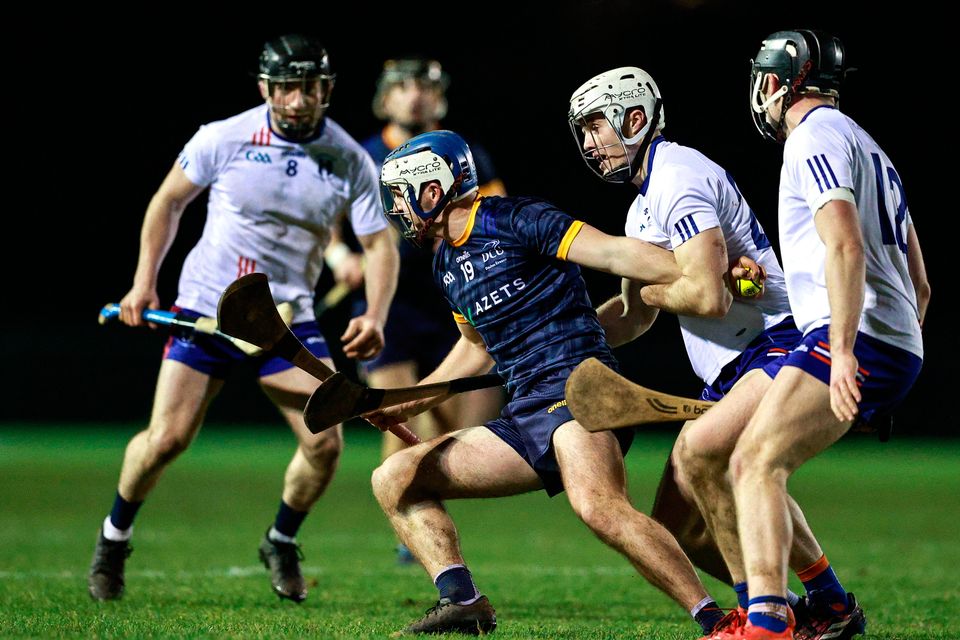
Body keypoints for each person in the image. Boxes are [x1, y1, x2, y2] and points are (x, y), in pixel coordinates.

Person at [367, 130, 730, 636]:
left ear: (432, 191)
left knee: (598, 506)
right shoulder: (445, 261)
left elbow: (612, 254)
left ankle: (719, 622)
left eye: (402, 197)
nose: (398, 210)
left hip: (578, 390)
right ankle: (462, 600)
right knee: (393, 478)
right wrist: (407, 400)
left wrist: (704, 268)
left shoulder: (517, 219)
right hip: (526, 414)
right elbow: (475, 346)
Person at [86, 34, 399, 604]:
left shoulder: (349, 158)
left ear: (325, 89)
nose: (298, 100)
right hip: (206, 307)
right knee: (167, 439)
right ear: (266, 89)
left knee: (325, 445)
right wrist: (143, 282)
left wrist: (375, 313)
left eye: (309, 86)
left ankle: (280, 540)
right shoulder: (223, 136)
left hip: (286, 322)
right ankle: (113, 538)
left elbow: (379, 245)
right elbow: (168, 201)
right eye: (286, 87)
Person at [568, 67, 853, 637]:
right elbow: (637, 313)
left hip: (776, 343)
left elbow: (706, 297)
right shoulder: (640, 206)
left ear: (634, 117)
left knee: (705, 456)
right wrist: (566, 343)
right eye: (583, 131)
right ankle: (822, 602)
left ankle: (763, 613)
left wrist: (652, 283)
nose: (590, 142)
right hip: (729, 367)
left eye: (596, 125)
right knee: (676, 526)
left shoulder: (678, 174)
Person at [680, 30, 928, 640]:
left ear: (773, 82)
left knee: (755, 463)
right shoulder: (867, 145)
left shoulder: (812, 138)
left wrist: (844, 351)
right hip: (889, 339)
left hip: (854, 334)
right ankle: (827, 605)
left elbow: (843, 243)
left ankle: (766, 622)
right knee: (736, 455)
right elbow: (920, 282)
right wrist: (887, 371)